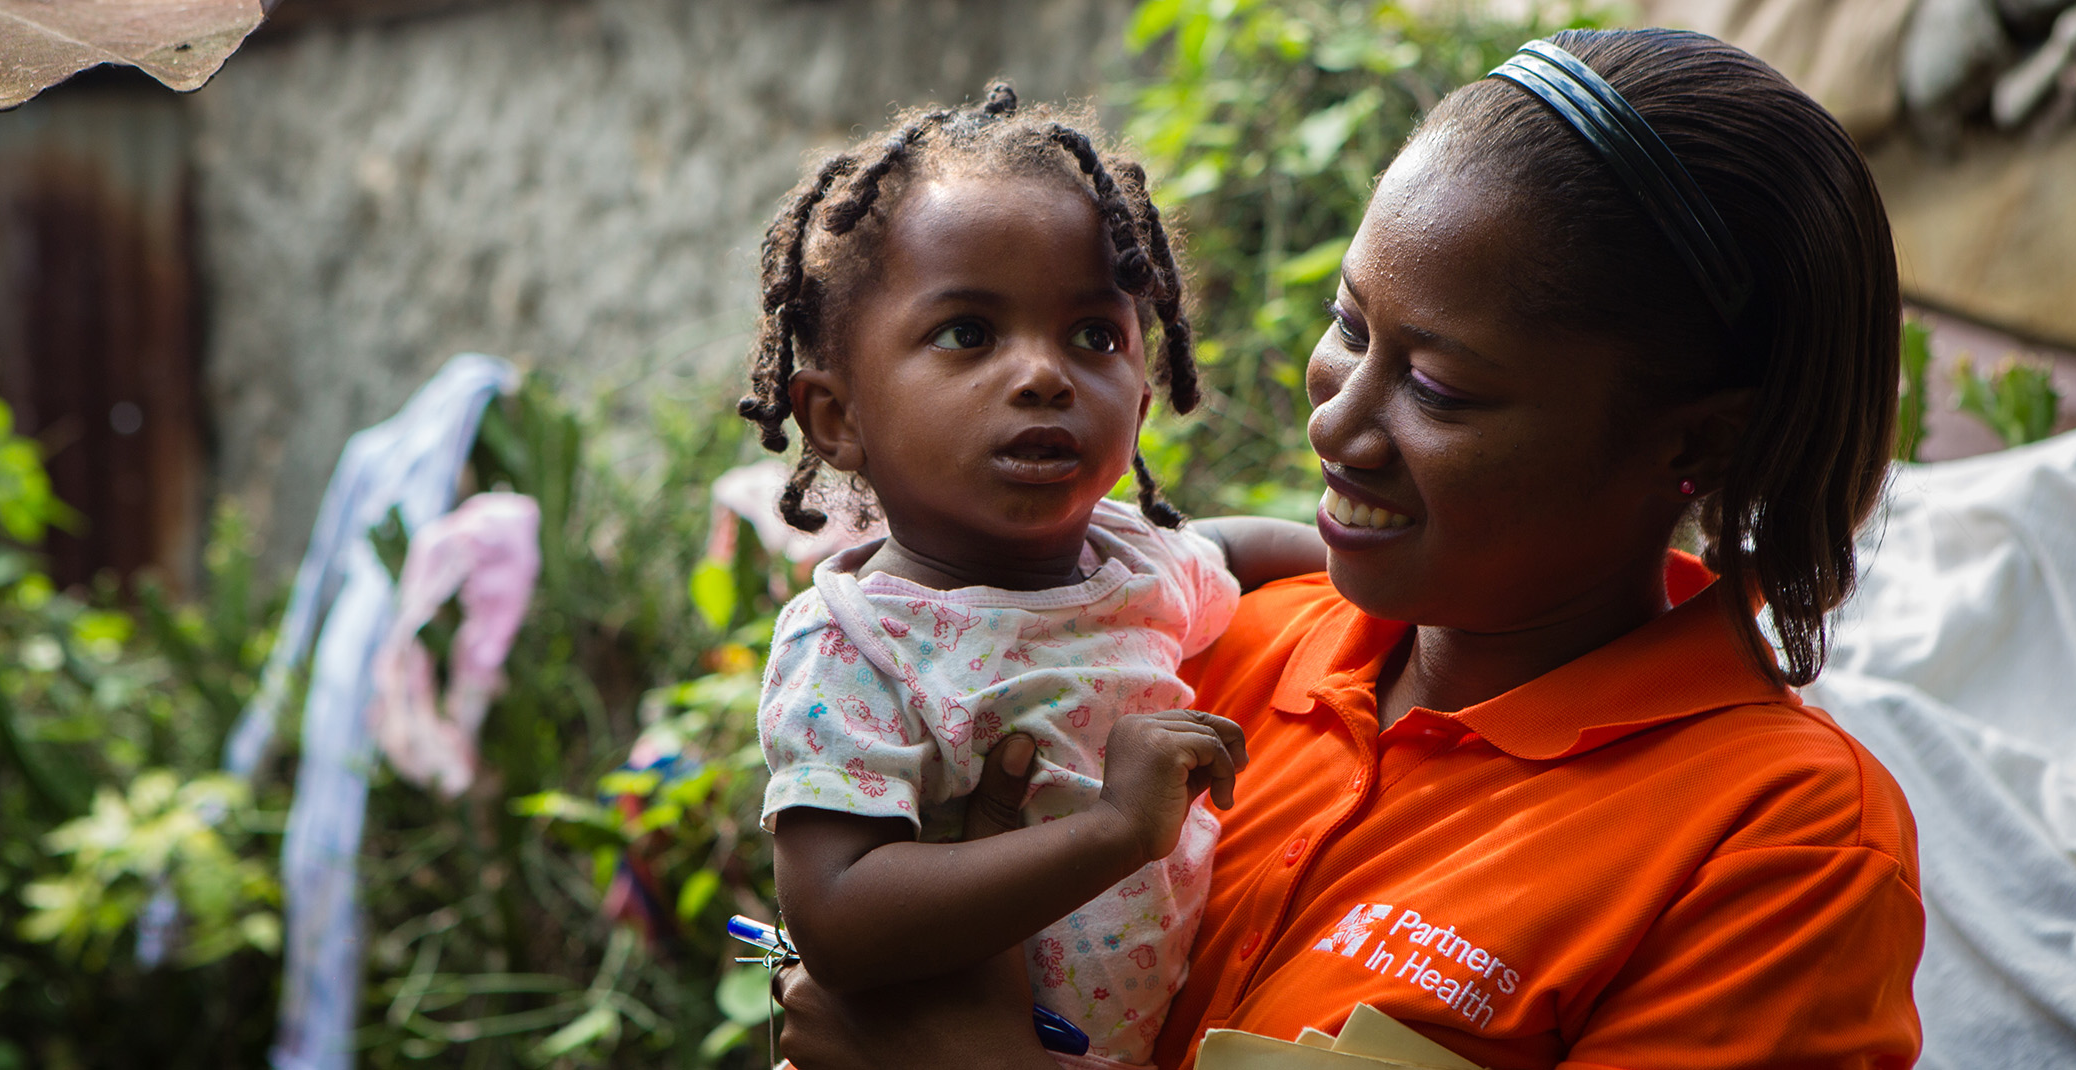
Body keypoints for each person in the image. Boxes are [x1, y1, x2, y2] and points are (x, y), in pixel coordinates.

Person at [772, 28, 1927, 1070]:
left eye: (1440, 386)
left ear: (1697, 442)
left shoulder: (1780, 848)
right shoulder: (1202, 651)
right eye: (1349, 324)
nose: (1335, 423)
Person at [733, 85, 1327, 1068]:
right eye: (969, 333)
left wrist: (1374, 568)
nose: (1046, 374)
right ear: (837, 417)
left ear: (1141, 402)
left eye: (1095, 336)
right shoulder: (856, 639)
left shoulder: (1134, 558)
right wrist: (1111, 831)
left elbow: (1239, 548)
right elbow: (836, 917)